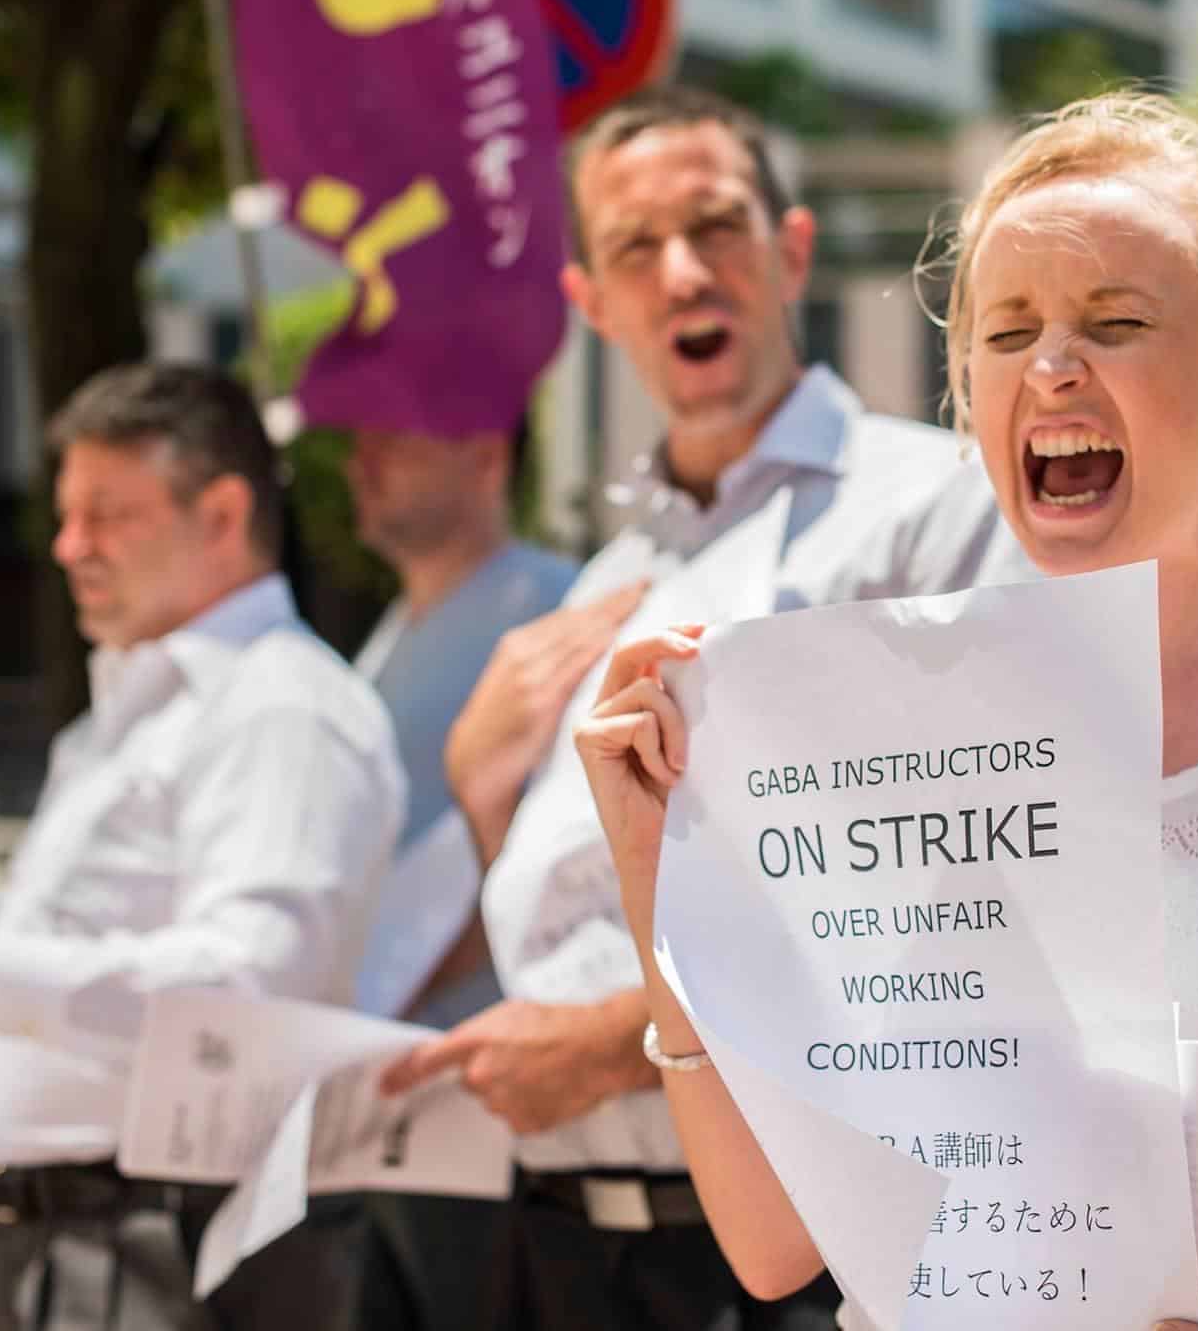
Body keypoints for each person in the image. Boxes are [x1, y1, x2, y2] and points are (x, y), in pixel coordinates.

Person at [574, 93, 1198, 1331]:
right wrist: (656, 869)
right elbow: (775, 1245)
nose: (1052, 366)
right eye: (1006, 334)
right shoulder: (855, 740)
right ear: (968, 391)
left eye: (1114, 323)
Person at [380, 85, 1021, 1330]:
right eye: (635, 247)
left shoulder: (930, 505)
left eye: (716, 226)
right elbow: (565, 899)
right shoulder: (606, 582)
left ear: (790, 252)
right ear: (592, 303)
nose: (682, 272)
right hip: (558, 1247)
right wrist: (477, 784)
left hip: (798, 1256)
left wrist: (606, 1044)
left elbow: (963, 896)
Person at [0, 362, 405, 1331]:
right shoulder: (128, 713)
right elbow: (110, 984)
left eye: (107, 514)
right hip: (74, 1243)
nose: (69, 546)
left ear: (221, 515)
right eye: (66, 515)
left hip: (166, 1252)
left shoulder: (279, 707)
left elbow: (249, 986)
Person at [337, 408, 596, 1330]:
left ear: (487, 454)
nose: (362, 459)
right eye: (362, 438)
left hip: (504, 1127)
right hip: (385, 1104)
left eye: (396, 436)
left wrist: (384, 979)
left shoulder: (559, 611)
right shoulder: (384, 639)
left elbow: (559, 859)